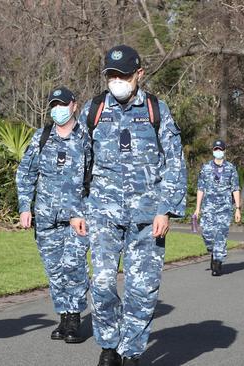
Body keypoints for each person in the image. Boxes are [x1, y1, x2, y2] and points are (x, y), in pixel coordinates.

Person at [72, 45, 187, 366]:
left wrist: (166, 208)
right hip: (102, 216)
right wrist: (75, 210)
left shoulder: (156, 110)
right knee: (103, 283)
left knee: (142, 289)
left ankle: (131, 351)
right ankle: (109, 344)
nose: (116, 80)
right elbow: (79, 164)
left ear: (139, 74)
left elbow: (174, 163)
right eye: (111, 75)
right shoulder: (93, 110)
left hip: (147, 219)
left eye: (123, 75)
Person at [16, 86, 90, 344]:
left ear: (74, 105)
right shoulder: (42, 137)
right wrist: (25, 207)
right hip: (46, 217)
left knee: (74, 264)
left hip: (77, 216)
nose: (58, 109)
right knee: (55, 269)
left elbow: (97, 177)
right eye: (54, 105)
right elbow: (25, 173)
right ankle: (63, 316)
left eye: (63, 104)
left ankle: (74, 318)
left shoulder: (87, 138)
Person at [193, 139, 241, 276]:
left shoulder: (231, 168)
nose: (218, 152)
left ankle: (217, 262)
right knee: (207, 234)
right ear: (213, 151)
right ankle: (213, 252)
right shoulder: (206, 168)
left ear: (224, 151)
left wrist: (238, 208)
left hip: (224, 208)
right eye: (216, 149)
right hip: (208, 207)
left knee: (221, 234)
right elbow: (200, 188)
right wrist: (198, 208)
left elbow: (235, 189)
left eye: (220, 149)